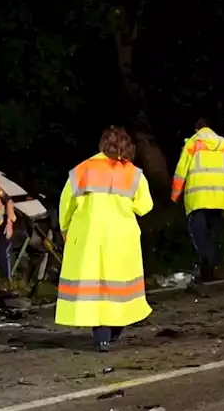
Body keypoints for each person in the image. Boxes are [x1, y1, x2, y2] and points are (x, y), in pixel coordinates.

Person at [56, 126, 154, 352]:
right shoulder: (133, 174)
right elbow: (144, 206)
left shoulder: (82, 169)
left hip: (89, 236)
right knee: (118, 288)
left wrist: (65, 229)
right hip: (121, 238)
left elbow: (66, 204)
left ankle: (101, 337)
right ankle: (115, 329)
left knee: (95, 287)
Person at [169, 118, 224, 283]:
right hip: (220, 198)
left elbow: (180, 170)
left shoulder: (192, 144)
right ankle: (209, 273)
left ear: (196, 129)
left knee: (198, 234)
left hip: (198, 197)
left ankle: (209, 264)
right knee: (211, 234)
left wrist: (175, 195)